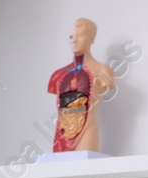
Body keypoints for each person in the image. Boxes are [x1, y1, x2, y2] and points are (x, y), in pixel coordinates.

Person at [47, 19, 115, 153]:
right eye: (72, 36)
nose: (74, 40)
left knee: (85, 167)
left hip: (88, 129)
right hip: (63, 131)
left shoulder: (103, 71)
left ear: (91, 38)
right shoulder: (58, 75)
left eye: (81, 35)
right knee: (61, 170)